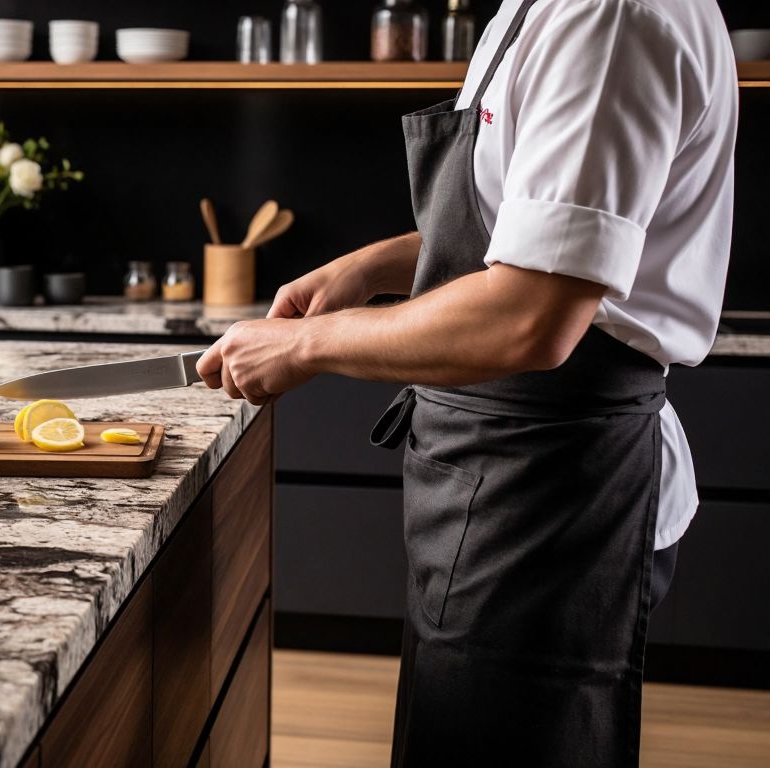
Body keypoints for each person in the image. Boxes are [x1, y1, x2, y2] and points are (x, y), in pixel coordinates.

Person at [196, 0, 738, 764]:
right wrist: (375, 265)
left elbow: (531, 315)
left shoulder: (608, 16)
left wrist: (307, 345)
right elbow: (532, 217)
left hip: (552, 498)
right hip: (493, 479)